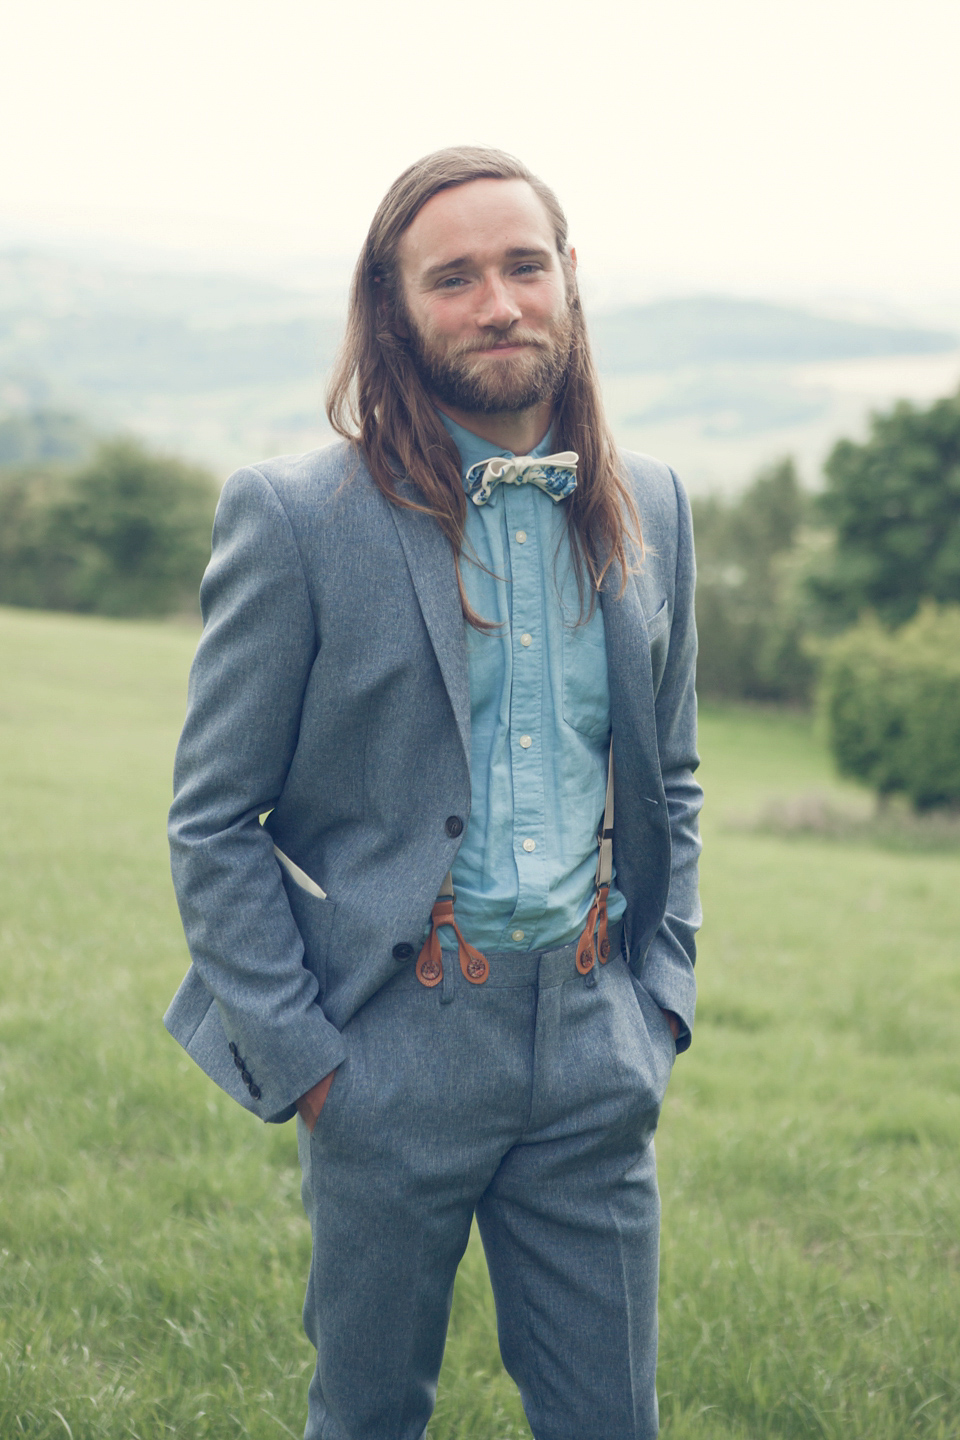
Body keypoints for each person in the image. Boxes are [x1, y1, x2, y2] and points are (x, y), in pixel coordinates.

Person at [165, 145, 701, 1440]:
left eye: (523, 267)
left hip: (591, 1044)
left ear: (569, 282)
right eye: (451, 277)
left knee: (610, 1423)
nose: (498, 302)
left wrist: (660, 999)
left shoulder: (658, 507)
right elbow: (211, 819)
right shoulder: (294, 517)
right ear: (394, 304)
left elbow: (669, 775)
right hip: (388, 1049)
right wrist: (308, 1062)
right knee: (368, 1420)